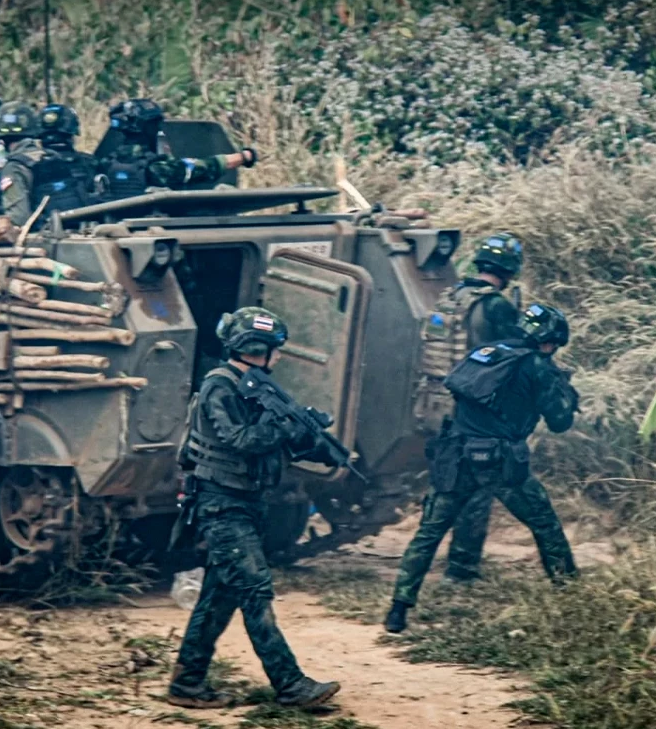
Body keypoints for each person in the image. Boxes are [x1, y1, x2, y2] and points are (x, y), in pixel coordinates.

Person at [167, 307, 342, 709]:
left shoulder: (256, 386)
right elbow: (240, 439)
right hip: (222, 505)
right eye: (274, 349)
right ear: (256, 349)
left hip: (245, 502)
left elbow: (276, 441)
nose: (278, 356)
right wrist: (283, 426)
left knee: (219, 597)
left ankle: (187, 682)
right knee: (254, 592)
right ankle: (291, 685)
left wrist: (311, 436)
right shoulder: (220, 386)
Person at [385, 303, 580, 634]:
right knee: (545, 525)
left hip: (457, 457)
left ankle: (397, 610)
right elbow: (560, 423)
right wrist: (567, 397)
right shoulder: (538, 366)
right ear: (548, 341)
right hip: (501, 462)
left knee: (429, 533)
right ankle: (572, 599)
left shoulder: (487, 352)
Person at [435, 232, 526, 584]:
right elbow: (517, 354)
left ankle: (426, 558)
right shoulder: (496, 305)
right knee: (477, 488)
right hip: (478, 410)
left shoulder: (454, 295)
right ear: (510, 270)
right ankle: (461, 571)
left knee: (449, 483)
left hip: (440, 401)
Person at [99, 98, 258, 201]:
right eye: (154, 125)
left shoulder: (106, 163)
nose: (158, 128)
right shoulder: (158, 168)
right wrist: (244, 157)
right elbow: (203, 167)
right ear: (146, 128)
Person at [0, 103, 101, 228]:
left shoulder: (15, 166)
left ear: (1, 141)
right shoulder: (51, 157)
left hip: (43, 233)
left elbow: (18, 219)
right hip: (77, 228)